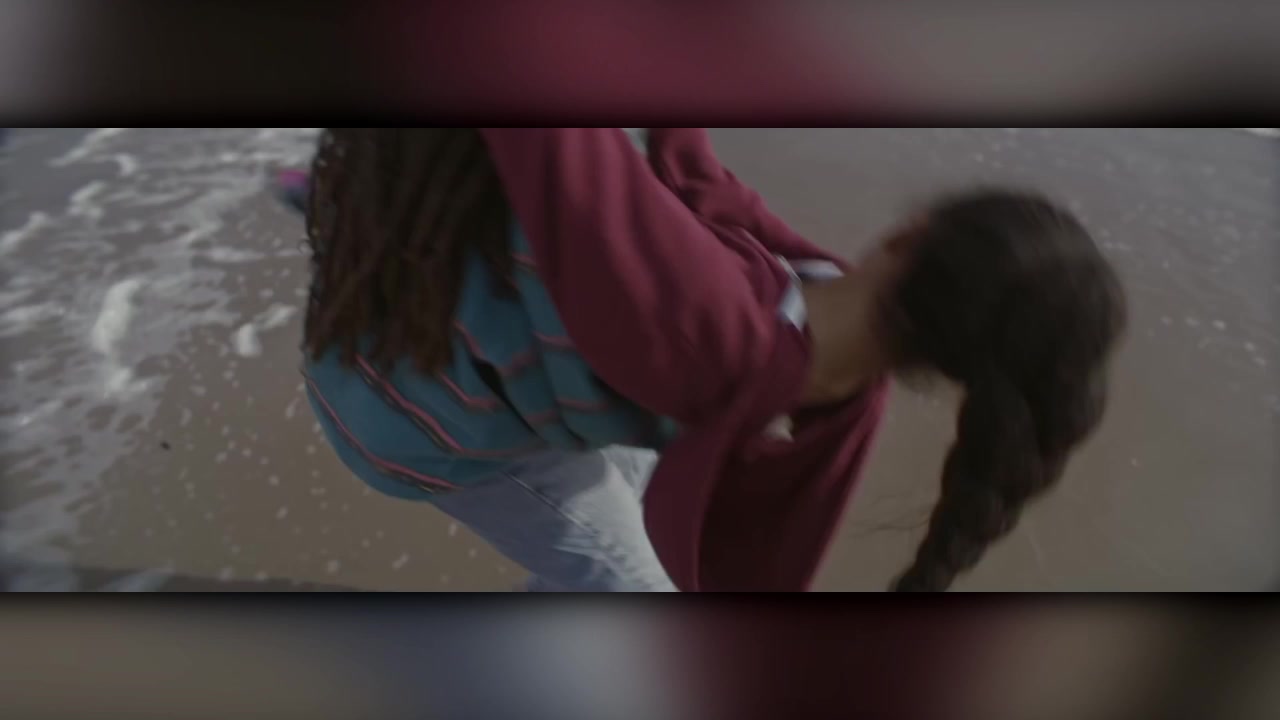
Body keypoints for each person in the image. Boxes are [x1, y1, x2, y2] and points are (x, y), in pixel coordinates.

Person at [296, 128, 1126, 592]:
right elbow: (706, 188)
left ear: (912, 236)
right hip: (443, 398)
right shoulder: (836, 341)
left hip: (436, 417)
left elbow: (548, 126)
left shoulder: (699, 321)